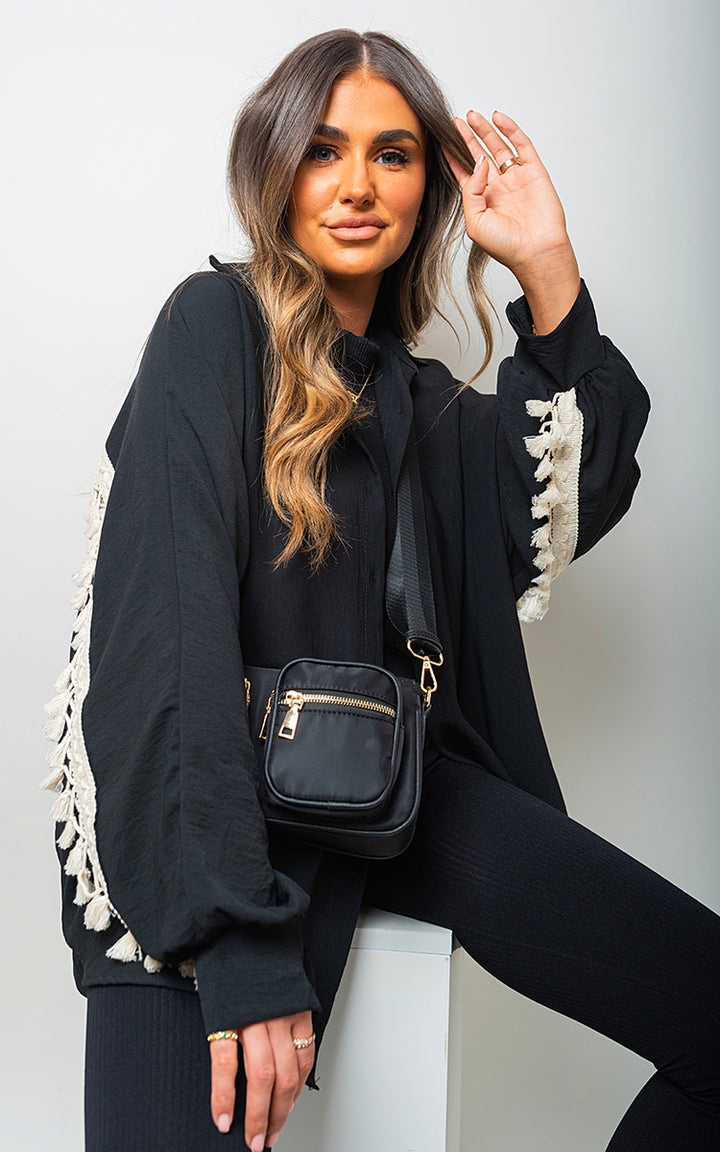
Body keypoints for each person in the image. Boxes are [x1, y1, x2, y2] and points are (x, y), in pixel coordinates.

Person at [42, 27, 719, 1152]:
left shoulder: (426, 408)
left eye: (393, 154)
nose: (356, 185)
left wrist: (547, 269)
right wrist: (237, 946)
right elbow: (166, 641)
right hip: (202, 831)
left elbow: (572, 490)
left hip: (396, 796)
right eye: (322, 150)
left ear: (426, 187)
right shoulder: (213, 327)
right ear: (276, 170)